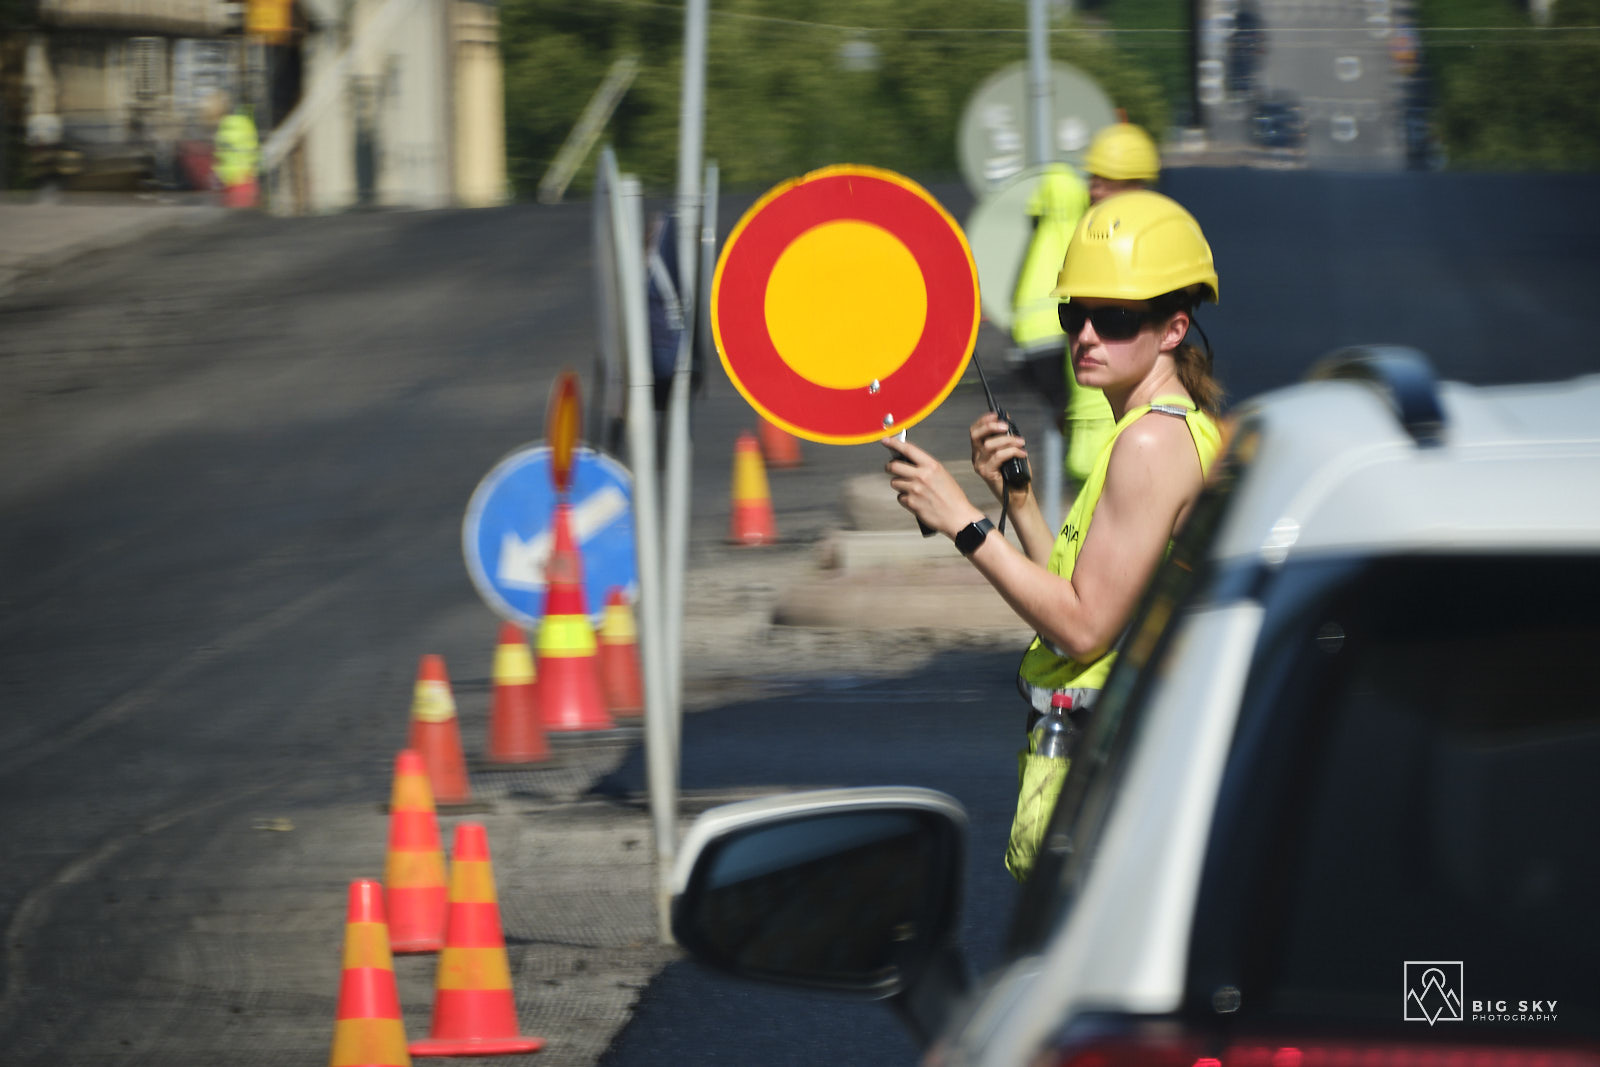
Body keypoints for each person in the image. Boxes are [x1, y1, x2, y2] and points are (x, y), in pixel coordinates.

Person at [882, 191, 1224, 880]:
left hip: (1117, 778)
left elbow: (1082, 628)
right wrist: (1020, 504)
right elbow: (1092, 592)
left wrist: (966, 525)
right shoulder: (1157, 427)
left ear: (1173, 328)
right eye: (1076, 313)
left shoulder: (1151, 443)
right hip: (1122, 766)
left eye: (1116, 318)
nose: (1087, 335)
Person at [1065, 121, 1163, 490]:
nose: (1095, 186)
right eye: (1093, 176)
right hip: (1093, 421)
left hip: (1130, 425)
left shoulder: (1148, 245)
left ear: (1136, 184)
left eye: (1108, 178)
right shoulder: (1088, 235)